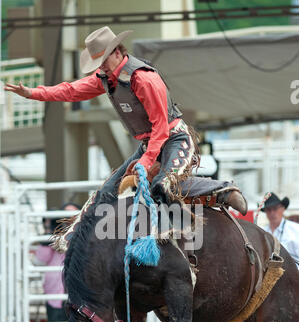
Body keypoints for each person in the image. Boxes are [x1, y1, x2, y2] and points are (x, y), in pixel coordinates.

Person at [5, 26, 247, 226]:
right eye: (97, 63)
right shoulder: (107, 77)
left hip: (174, 138)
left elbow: (161, 127)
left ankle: (223, 189)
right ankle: (79, 236)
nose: (100, 67)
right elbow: (72, 90)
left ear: (118, 52)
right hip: (151, 143)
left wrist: (145, 160)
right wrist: (34, 93)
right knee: (107, 191)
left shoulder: (143, 79)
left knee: (165, 184)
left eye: (102, 60)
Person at [33, 202, 85, 322]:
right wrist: (48, 237)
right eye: (61, 218)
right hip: (55, 294)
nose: (65, 222)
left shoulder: (85, 235)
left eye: (70, 217)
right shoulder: (50, 240)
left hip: (81, 295)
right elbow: (37, 261)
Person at [262, 193, 299, 269]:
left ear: (282, 209)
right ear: (265, 212)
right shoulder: (263, 232)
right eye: (269, 210)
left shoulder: (295, 229)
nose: (272, 213)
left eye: (275, 209)